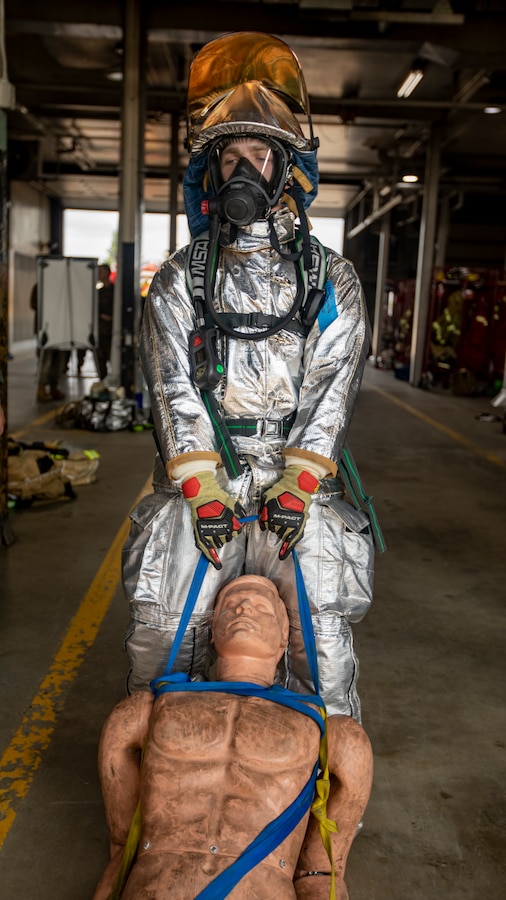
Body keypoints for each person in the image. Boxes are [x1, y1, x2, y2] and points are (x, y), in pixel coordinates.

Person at [123, 32, 372, 719]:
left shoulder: (331, 280)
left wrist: (298, 485)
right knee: (162, 625)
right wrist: (200, 487)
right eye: (230, 157)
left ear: (285, 170)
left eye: (259, 156)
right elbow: (172, 383)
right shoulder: (181, 278)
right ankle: (162, 770)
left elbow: (333, 387)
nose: (243, 170)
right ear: (212, 172)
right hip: (203, 471)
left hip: (298, 478)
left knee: (320, 635)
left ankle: (319, 776)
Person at [93, 575, 373, 900]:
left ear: (285, 636)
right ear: (212, 632)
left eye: (261, 608)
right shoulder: (143, 712)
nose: (243, 609)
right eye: (230, 606)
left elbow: (322, 872)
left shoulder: (335, 735)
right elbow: (121, 848)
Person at [30, 283, 67, 402]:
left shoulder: (61, 284)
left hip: (59, 327)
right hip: (44, 328)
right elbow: (33, 304)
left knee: (58, 360)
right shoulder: (40, 284)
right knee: (45, 359)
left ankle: (53, 387)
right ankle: (41, 388)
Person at [78, 263, 114, 378]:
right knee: (100, 358)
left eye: (101, 271)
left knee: (112, 357)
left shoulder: (115, 291)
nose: (99, 274)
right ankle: (102, 380)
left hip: (112, 332)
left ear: (107, 273)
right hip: (100, 331)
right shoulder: (99, 292)